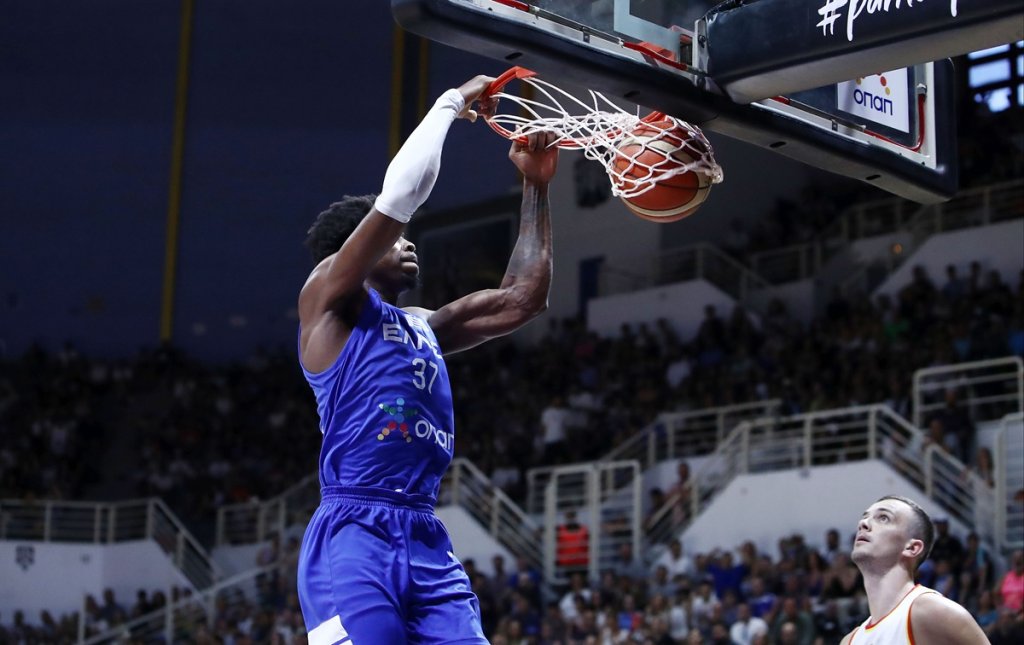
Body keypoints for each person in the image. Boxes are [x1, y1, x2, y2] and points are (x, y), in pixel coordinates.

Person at [295, 74, 559, 644]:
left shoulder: (423, 327)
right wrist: (451, 103)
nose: (407, 241)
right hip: (354, 532)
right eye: (393, 238)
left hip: (424, 534)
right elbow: (400, 197)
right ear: (356, 250)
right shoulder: (327, 301)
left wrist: (534, 186)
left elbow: (524, 299)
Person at [840, 495, 990, 644]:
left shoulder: (933, 612)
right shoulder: (849, 641)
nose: (863, 523)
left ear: (912, 548)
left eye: (884, 518)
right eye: (865, 517)